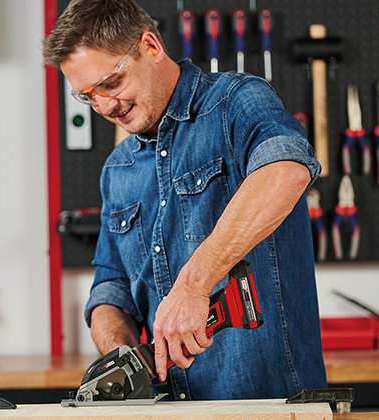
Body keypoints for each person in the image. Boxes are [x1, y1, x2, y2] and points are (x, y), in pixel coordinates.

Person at [43, 0, 327, 400]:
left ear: (151, 47)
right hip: (169, 407)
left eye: (110, 83)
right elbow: (110, 289)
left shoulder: (235, 102)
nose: (105, 106)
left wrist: (194, 284)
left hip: (270, 404)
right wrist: (123, 359)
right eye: (87, 96)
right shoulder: (118, 169)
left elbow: (287, 170)